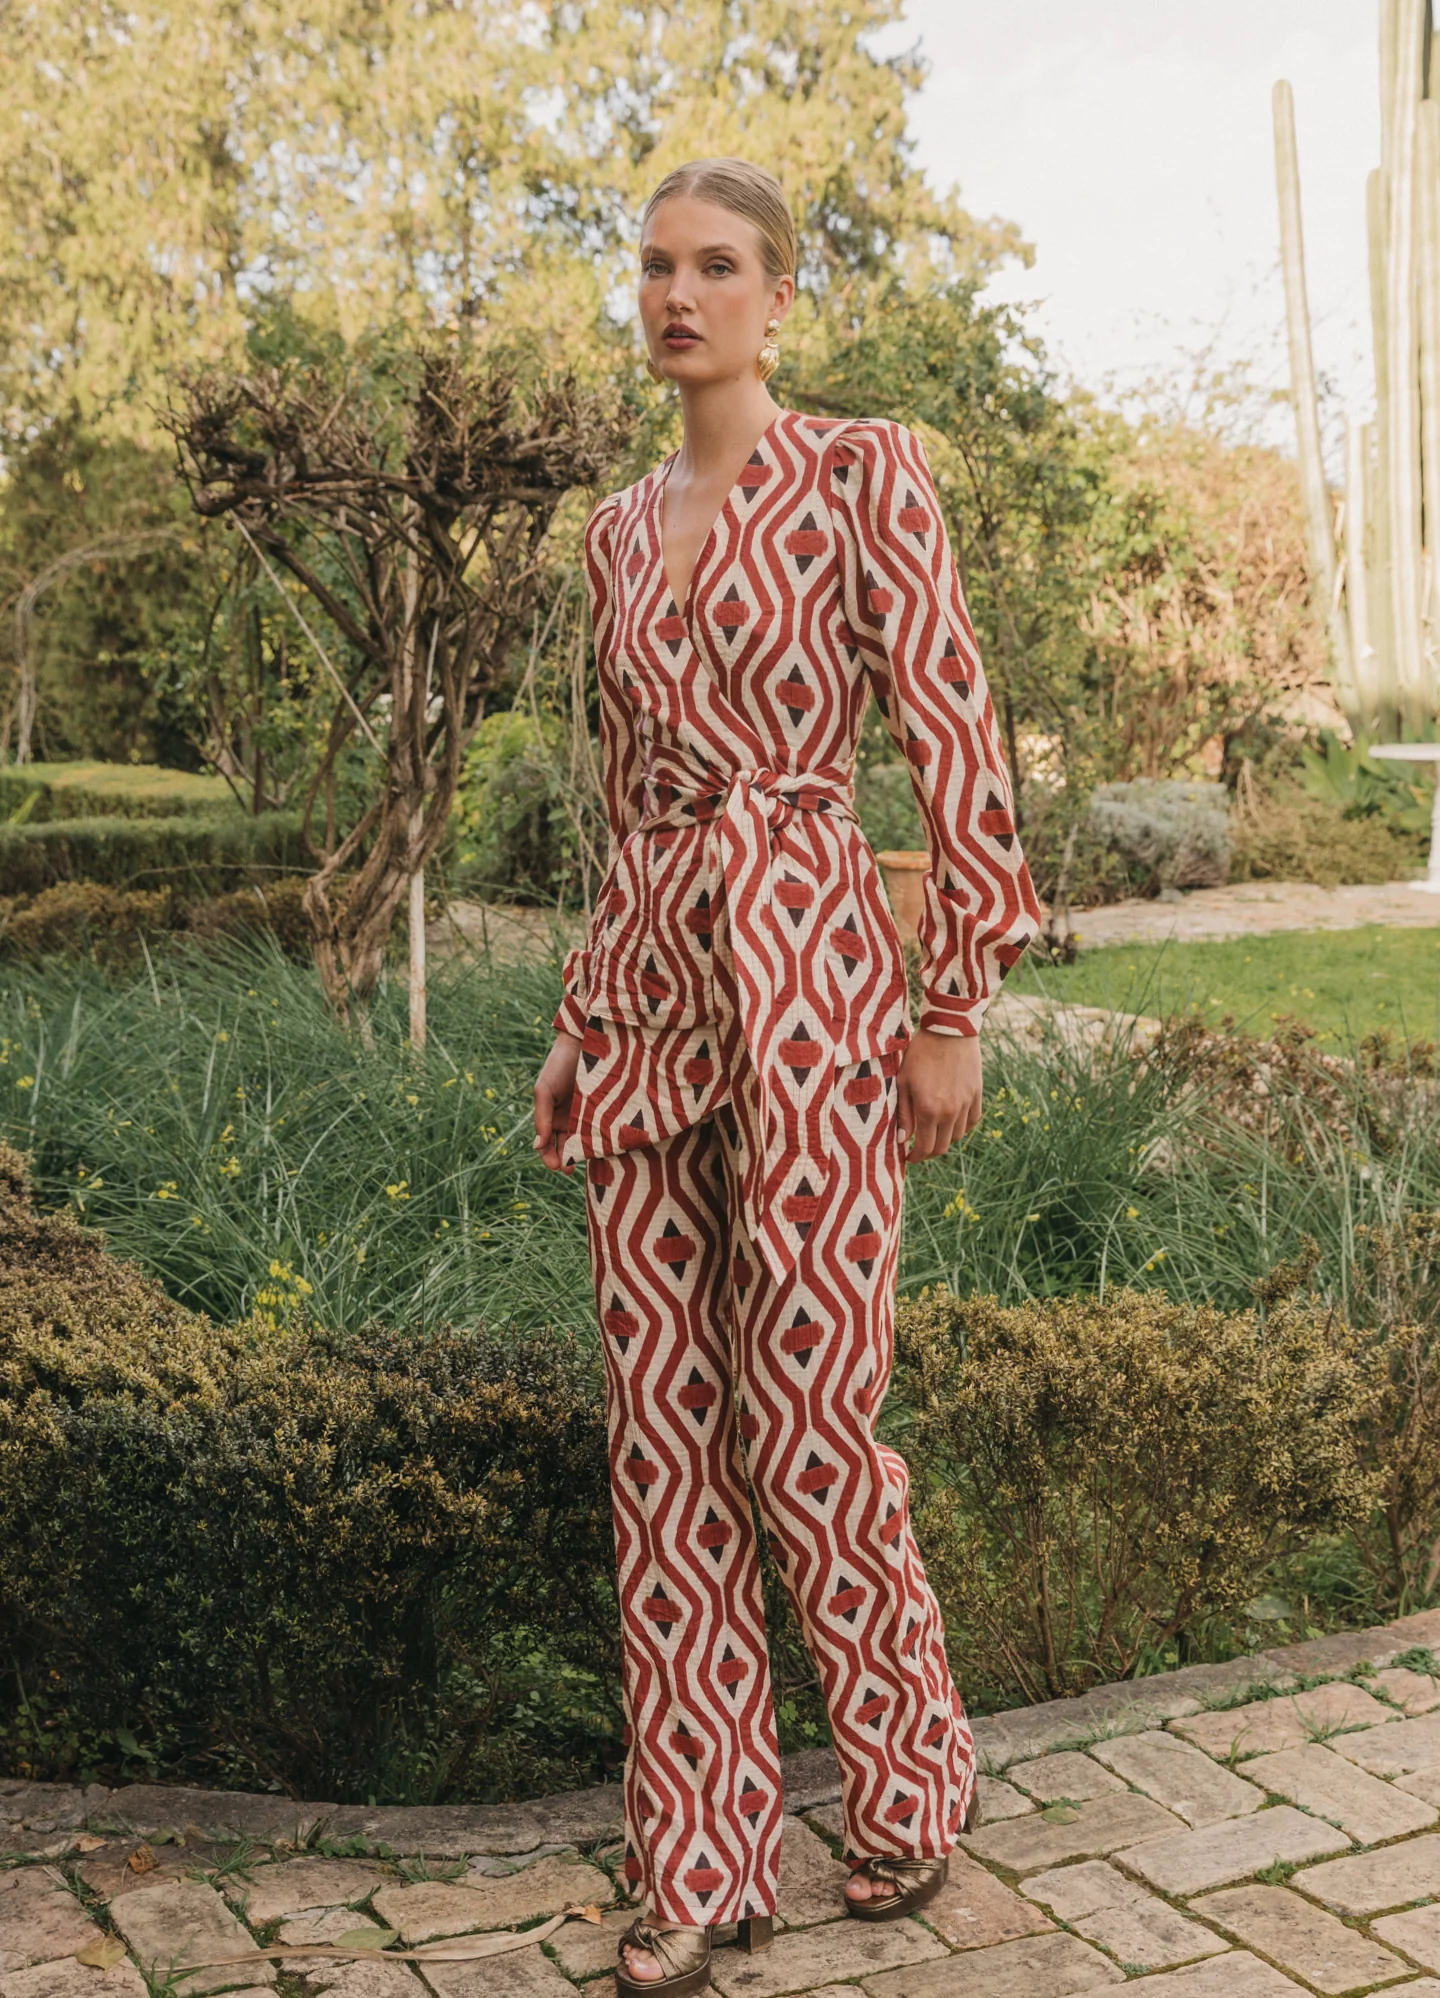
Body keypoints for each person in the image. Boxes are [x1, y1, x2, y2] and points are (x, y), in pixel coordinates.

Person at [532, 156, 1040, 1998]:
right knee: (661, 1428)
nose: (680, 295)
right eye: (656, 266)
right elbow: (622, 802)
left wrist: (949, 997)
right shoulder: (611, 531)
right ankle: (702, 1855)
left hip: (815, 965)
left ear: (778, 295)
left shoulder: (859, 472)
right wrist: (583, 1010)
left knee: (810, 1412)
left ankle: (907, 1777)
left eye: (719, 265)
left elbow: (955, 736)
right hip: (648, 980)